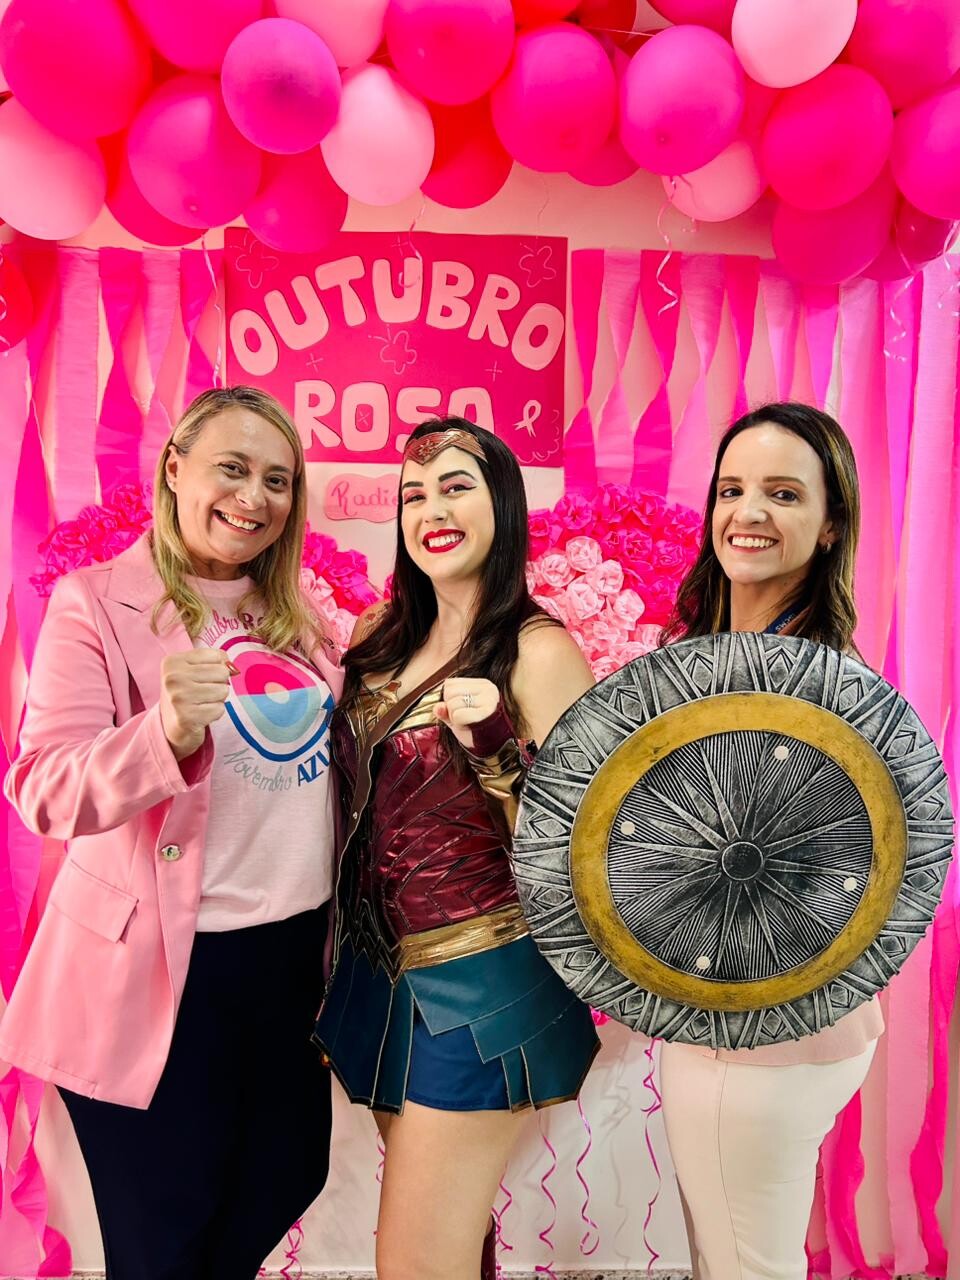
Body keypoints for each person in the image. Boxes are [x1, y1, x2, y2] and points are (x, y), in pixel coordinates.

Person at [1, 386, 342, 1280]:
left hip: (288, 960)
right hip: (159, 973)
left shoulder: (300, 617)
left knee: (286, 1174)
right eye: (232, 468)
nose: (255, 496)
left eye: (277, 479)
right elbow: (42, 788)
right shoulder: (94, 601)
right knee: (165, 1236)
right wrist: (164, 732)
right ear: (176, 469)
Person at [313, 417, 600, 1280]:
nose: (431, 509)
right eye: (413, 494)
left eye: (456, 486)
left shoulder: (539, 651)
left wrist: (498, 750)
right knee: (450, 1245)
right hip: (375, 975)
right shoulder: (378, 635)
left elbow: (582, 851)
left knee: (415, 1264)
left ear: (502, 502)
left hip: (484, 987)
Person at [658, 401, 883, 1280]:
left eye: (783, 494)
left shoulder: (811, 686)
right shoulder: (723, 654)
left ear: (830, 526)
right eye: (731, 490)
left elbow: (790, 887)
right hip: (760, 1031)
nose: (747, 512)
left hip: (756, 1040)